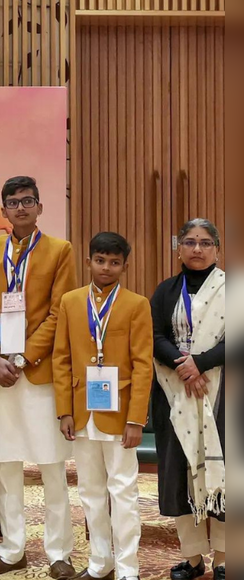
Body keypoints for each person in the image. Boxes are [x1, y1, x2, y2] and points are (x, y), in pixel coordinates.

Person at [0, 176, 77, 577]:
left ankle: (59, 553)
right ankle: (12, 549)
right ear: (3, 210)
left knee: (51, 467)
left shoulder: (59, 250)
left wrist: (25, 357)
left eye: (28, 201)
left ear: (39, 207)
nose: (20, 208)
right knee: (5, 466)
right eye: (13, 202)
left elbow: (59, 311)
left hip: (39, 374)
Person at [54, 232, 153, 580]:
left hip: (120, 413)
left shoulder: (136, 304)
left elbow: (143, 365)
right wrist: (64, 410)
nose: (106, 268)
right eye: (100, 260)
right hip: (82, 411)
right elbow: (61, 359)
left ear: (125, 266)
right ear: (88, 262)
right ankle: (100, 561)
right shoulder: (70, 302)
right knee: (90, 491)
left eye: (114, 262)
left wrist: (136, 419)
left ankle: (128, 568)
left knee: (123, 491)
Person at [151, 219, 226, 580]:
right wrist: (185, 367)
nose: (197, 249)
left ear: (217, 250)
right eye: (190, 242)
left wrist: (201, 363)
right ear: (178, 247)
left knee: (228, 475)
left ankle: (225, 559)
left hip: (224, 394)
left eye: (205, 242)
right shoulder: (166, 291)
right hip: (174, 393)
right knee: (179, 475)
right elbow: (154, 336)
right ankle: (193, 559)